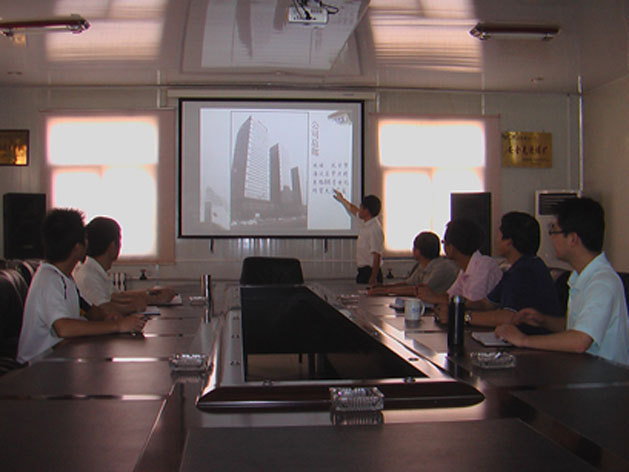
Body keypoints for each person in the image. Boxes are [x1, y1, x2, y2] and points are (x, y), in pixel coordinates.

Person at [496, 198, 629, 366]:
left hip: (606, 378)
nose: (551, 238)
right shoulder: (581, 276)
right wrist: (543, 320)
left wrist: (523, 340)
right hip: (583, 370)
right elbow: (576, 327)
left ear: (572, 239)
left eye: (554, 230)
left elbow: (580, 341)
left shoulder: (602, 283)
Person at [17, 209, 146, 364]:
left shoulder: (66, 278)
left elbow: (90, 311)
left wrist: (108, 317)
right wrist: (117, 326)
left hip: (60, 357)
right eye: (85, 238)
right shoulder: (49, 279)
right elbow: (64, 328)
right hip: (38, 367)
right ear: (77, 248)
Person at [435, 212, 562, 333]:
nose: (496, 239)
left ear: (509, 242)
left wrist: (460, 317)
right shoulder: (517, 268)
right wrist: (455, 307)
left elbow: (508, 317)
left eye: (499, 235)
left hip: (532, 342)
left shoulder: (525, 271)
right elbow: (486, 304)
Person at [74, 216, 176, 312]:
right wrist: (146, 301)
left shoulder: (94, 270)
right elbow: (104, 311)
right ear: (113, 246)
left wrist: (150, 292)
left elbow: (118, 295)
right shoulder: (87, 276)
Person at [416, 218, 502, 305]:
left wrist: (436, 298)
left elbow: (473, 304)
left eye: (444, 242)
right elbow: (451, 296)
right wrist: (431, 294)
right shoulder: (465, 268)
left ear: (451, 247)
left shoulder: (483, 265)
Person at [368, 231, 458, 296]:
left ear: (418, 251)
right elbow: (408, 284)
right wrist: (383, 287)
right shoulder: (422, 266)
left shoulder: (442, 268)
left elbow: (419, 290)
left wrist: (386, 291)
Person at [333, 190, 384, 285]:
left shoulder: (375, 229)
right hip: (363, 271)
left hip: (371, 272)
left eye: (361, 207)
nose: (359, 209)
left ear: (366, 211)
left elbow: (377, 256)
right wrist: (342, 199)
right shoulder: (364, 221)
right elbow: (353, 209)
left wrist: (373, 278)